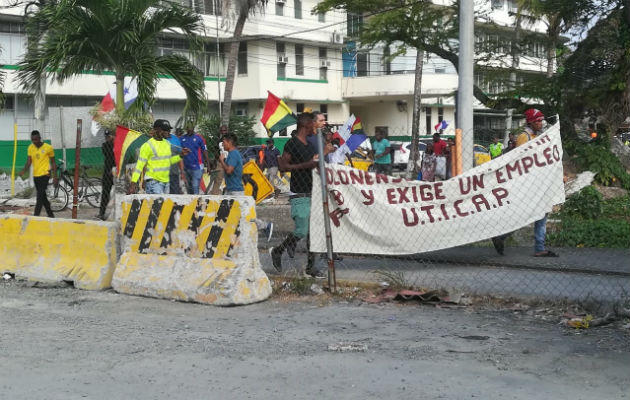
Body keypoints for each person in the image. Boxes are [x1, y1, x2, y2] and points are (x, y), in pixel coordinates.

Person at [492, 108, 558, 258]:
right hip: (528, 184)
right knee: (532, 213)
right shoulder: (524, 137)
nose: (541, 123)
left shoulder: (536, 136)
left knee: (538, 213)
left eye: (541, 120)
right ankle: (505, 237)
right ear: (531, 122)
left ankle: (505, 237)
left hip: (536, 182)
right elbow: (521, 161)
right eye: (538, 121)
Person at [269, 113, 328, 278]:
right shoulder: (292, 143)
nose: (314, 128)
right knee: (301, 231)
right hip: (298, 192)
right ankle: (278, 250)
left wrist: (319, 160)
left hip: (311, 192)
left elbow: (313, 164)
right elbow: (284, 167)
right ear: (306, 125)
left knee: (313, 233)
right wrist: (306, 165)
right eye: (312, 125)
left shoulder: (309, 145)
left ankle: (311, 267)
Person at [219, 133, 274, 241]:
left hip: (235, 191)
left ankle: (264, 226)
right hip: (231, 190)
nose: (223, 144)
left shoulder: (234, 154)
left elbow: (229, 171)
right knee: (234, 215)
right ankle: (236, 236)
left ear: (230, 142)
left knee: (242, 216)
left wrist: (221, 160)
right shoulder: (232, 154)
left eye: (224, 142)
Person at [128, 119, 180, 194]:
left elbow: (168, 161)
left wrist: (180, 156)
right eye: (165, 130)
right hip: (154, 183)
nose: (168, 132)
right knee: (158, 205)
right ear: (157, 130)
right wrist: (133, 184)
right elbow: (139, 166)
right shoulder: (147, 146)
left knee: (164, 206)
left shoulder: (167, 144)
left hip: (166, 183)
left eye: (169, 130)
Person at [19, 130, 57, 218]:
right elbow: (29, 161)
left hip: (45, 174)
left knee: (39, 197)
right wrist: (24, 171)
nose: (34, 142)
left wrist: (55, 176)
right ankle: (51, 215)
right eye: (32, 140)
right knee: (43, 196)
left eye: (36, 139)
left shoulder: (48, 147)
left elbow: (53, 162)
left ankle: (35, 217)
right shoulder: (30, 148)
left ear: (39, 138)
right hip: (36, 176)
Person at [180, 123, 209, 194]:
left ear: (193, 128)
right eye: (188, 128)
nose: (189, 129)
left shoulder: (199, 138)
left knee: (195, 186)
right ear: (186, 129)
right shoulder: (181, 139)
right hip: (186, 167)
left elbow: (205, 151)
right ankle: (191, 204)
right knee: (189, 187)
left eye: (191, 128)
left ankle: (196, 203)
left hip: (197, 167)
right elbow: (180, 153)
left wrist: (208, 165)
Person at [97, 129, 115, 220]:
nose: (107, 138)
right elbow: (110, 155)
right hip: (107, 172)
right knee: (105, 193)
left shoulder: (117, 144)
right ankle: (102, 212)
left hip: (116, 171)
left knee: (119, 191)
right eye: (106, 137)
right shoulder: (105, 145)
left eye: (109, 136)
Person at [165, 127, 186, 195]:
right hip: (160, 175)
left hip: (173, 172)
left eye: (168, 130)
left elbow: (180, 157)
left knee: (174, 194)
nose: (166, 131)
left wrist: (182, 172)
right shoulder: (156, 141)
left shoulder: (175, 140)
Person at [209, 125, 228, 195]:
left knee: (230, 181)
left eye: (225, 131)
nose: (224, 132)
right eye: (222, 131)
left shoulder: (231, 141)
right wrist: (217, 160)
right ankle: (214, 194)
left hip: (230, 162)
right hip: (220, 163)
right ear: (220, 132)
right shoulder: (219, 141)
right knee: (217, 181)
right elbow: (216, 152)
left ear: (227, 130)